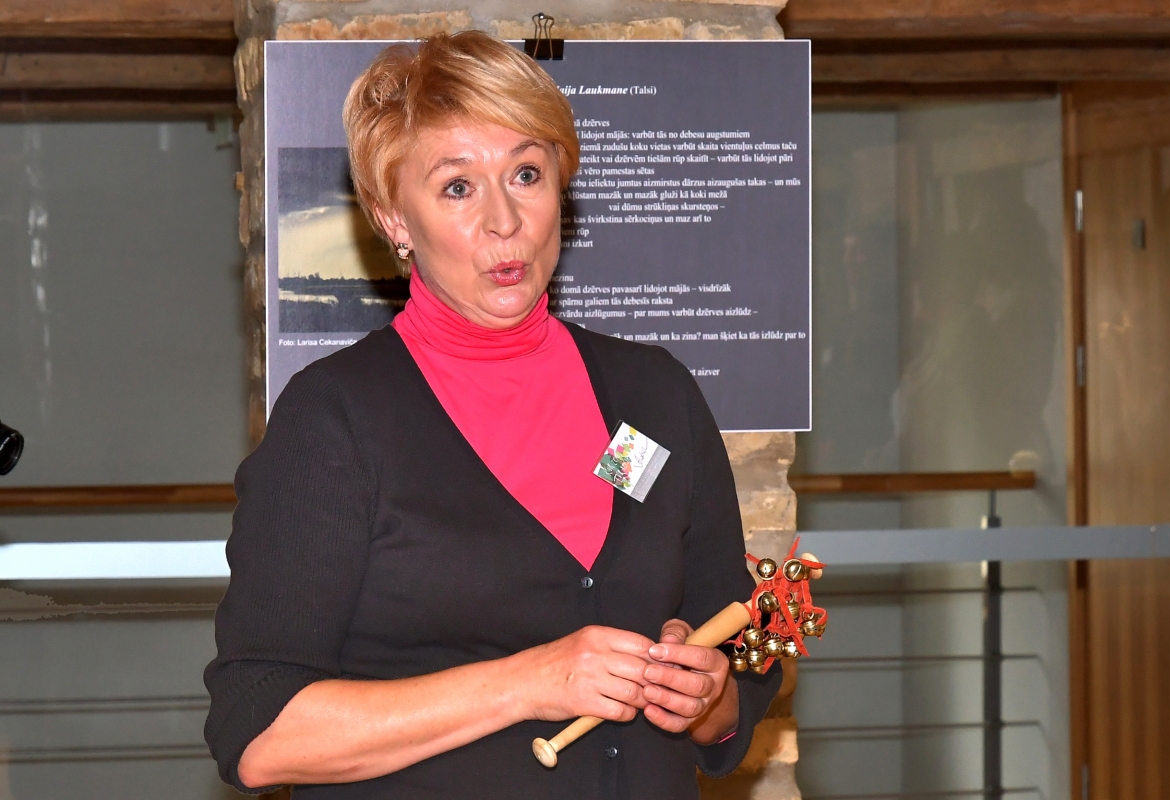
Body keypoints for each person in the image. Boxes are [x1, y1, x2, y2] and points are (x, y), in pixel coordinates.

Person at [205, 31, 812, 799]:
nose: (505, 220)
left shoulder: (653, 396)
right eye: (458, 187)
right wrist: (529, 682)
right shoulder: (335, 420)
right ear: (394, 219)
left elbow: (736, 653)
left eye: (526, 174)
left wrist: (707, 696)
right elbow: (259, 734)